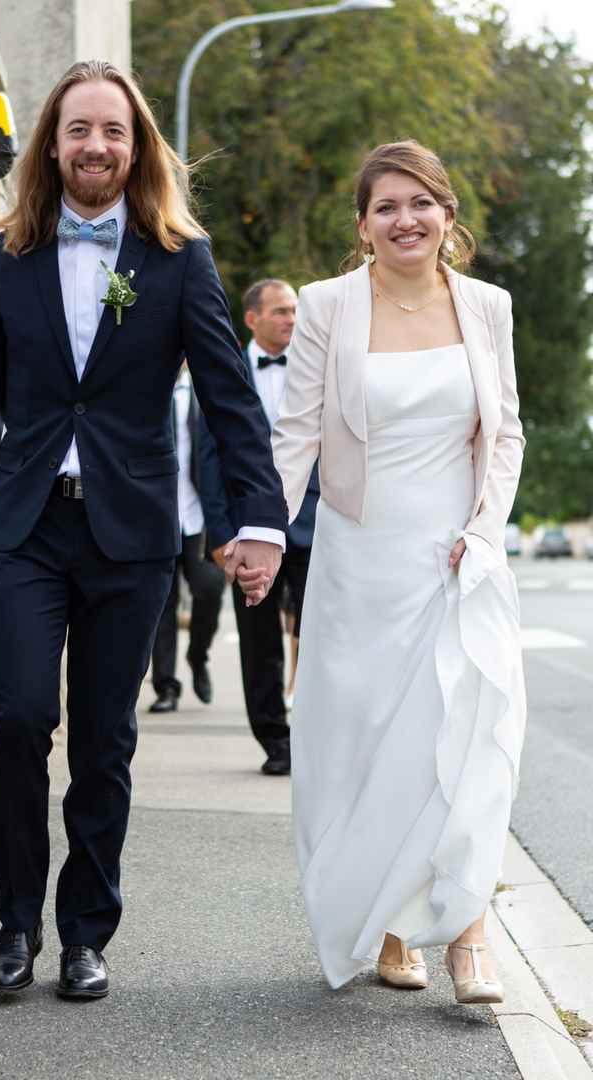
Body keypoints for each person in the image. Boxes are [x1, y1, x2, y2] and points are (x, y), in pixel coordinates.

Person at [0, 60, 286, 1001]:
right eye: (80, 129)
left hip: (132, 534)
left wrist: (254, 517)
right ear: (54, 145)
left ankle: (86, 932)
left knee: (104, 740)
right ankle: (16, 922)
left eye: (115, 132)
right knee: (17, 720)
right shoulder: (8, 254)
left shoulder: (180, 257)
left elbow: (229, 397)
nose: (97, 146)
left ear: (138, 150)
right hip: (26, 528)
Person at [272, 140, 526, 1003]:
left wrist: (485, 532)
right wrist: (263, 531)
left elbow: (508, 435)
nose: (405, 219)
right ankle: (386, 928)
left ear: (449, 216)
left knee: (462, 743)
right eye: (386, 206)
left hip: (458, 558)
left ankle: (468, 936)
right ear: (363, 225)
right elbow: (297, 433)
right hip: (358, 561)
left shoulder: (488, 307)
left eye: (421, 203)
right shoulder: (325, 307)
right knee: (372, 749)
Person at [198, 280, 319, 776]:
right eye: (281, 311)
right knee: (259, 641)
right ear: (252, 319)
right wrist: (221, 534)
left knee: (321, 636)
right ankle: (276, 741)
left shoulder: (315, 366)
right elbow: (207, 458)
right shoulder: (226, 371)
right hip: (247, 531)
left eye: (295, 311)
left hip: (314, 527)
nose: (291, 319)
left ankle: (318, 736)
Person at [148, 364, 225, 713]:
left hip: (197, 516)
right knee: (161, 604)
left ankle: (198, 655)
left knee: (209, 589)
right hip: (155, 515)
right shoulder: (145, 387)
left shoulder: (203, 393)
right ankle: (166, 686)